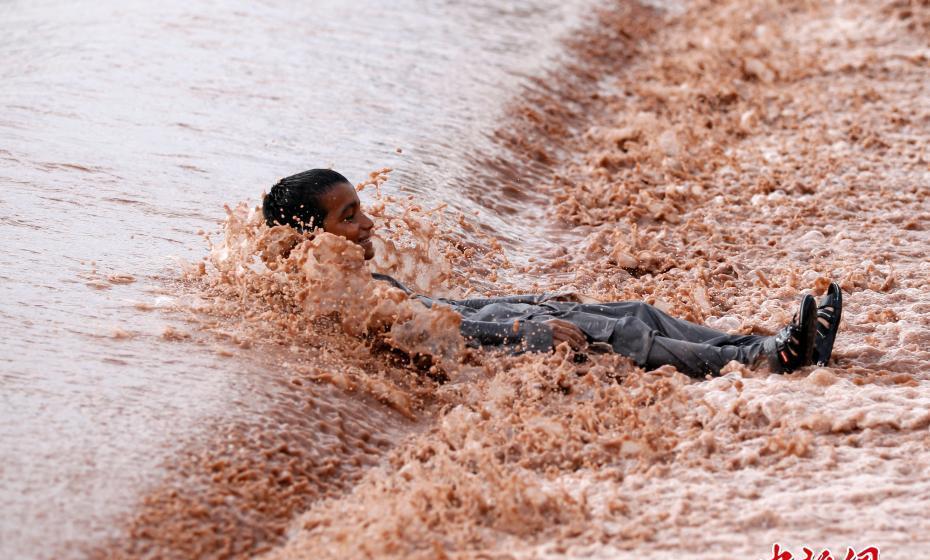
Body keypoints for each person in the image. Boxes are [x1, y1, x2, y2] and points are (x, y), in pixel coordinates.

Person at [262, 169, 842, 378]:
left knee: (634, 311)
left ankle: (775, 343)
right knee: (620, 336)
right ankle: (765, 359)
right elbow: (426, 333)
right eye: (348, 217)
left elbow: (444, 308)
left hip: (489, 325)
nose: (368, 224)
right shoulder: (335, 294)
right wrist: (526, 331)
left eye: (360, 209)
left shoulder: (344, 277)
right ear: (309, 234)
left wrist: (530, 300)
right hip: (495, 349)